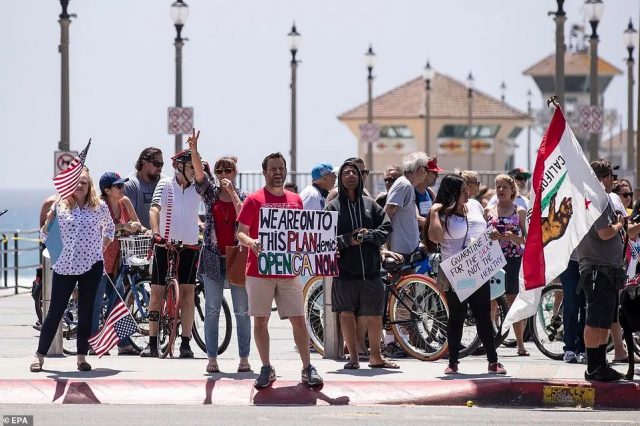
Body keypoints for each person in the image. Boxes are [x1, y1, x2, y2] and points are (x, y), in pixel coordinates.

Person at [236, 152, 323, 388]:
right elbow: (240, 232)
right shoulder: (253, 200)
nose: (277, 172)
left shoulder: (296, 200)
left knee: (298, 320)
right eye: (272, 169)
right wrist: (252, 242)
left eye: (281, 168)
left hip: (288, 272)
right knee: (260, 321)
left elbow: (303, 235)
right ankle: (266, 367)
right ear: (264, 172)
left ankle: (307, 368)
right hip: (258, 272)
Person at [31, 167, 115, 372]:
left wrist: (101, 246)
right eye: (76, 182)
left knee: (86, 311)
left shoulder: (100, 207)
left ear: (90, 186)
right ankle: (39, 356)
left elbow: (110, 228)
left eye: (84, 182)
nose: (79, 185)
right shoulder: (60, 207)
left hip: (91, 266)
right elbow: (45, 238)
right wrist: (48, 225)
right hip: (65, 266)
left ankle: (81, 357)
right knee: (55, 312)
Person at [428, 173, 506, 375]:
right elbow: (435, 237)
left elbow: (483, 229)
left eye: (467, 189)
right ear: (452, 193)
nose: (467, 193)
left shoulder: (474, 206)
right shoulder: (443, 214)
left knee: (483, 316)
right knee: (456, 317)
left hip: (478, 269)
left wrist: (493, 234)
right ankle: (453, 362)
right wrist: (434, 214)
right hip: (456, 273)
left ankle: (493, 361)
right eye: (462, 191)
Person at [326, 159, 397, 370]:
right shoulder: (332, 207)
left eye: (354, 173)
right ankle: (353, 358)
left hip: (372, 270)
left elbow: (386, 228)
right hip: (345, 272)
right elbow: (325, 239)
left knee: (374, 315)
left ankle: (376, 357)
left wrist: (369, 236)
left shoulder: (371, 205)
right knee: (346, 313)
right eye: (346, 173)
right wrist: (348, 239)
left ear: (360, 177)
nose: (350, 176)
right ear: (340, 178)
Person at [189, 138, 252, 374]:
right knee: (213, 309)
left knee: (241, 311)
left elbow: (243, 216)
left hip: (236, 256)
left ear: (235, 172)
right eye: (219, 170)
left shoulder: (244, 195)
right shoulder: (210, 194)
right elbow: (198, 174)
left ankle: (244, 358)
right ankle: (212, 358)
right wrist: (194, 150)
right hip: (214, 256)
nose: (223, 173)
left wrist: (233, 193)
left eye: (228, 169)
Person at [142, 137, 201, 358]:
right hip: (164, 244)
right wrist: (156, 233)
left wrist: (194, 151)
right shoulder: (165, 184)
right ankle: (152, 342)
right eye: (190, 167)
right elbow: (154, 209)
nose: (194, 171)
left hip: (189, 245)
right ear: (179, 168)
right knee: (156, 294)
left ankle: (185, 343)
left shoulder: (198, 186)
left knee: (188, 294)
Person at [578, 159, 634, 381]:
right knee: (595, 320)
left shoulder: (601, 200)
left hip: (607, 268)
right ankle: (593, 366)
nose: (614, 180)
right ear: (602, 178)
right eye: (611, 176)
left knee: (604, 320)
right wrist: (620, 224)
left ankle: (600, 364)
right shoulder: (595, 200)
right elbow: (604, 232)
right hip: (597, 268)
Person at [92, 172, 144, 356]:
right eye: (118, 186)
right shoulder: (99, 206)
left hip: (117, 260)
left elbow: (137, 222)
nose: (123, 189)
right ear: (107, 190)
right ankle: (94, 342)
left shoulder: (125, 202)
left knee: (119, 302)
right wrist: (123, 227)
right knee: (96, 303)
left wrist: (145, 230)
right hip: (99, 260)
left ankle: (122, 343)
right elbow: (96, 229)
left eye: (123, 185)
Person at [485, 174, 528, 356]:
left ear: (512, 190)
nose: (501, 190)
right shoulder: (489, 210)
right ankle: (489, 342)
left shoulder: (519, 211)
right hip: (493, 259)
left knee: (513, 300)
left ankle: (520, 343)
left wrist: (514, 237)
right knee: (491, 301)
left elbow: (526, 238)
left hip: (512, 259)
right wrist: (491, 235)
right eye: (498, 186)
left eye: (504, 187)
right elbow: (481, 238)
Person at [124, 147, 164, 230]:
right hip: (139, 239)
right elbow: (128, 218)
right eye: (156, 164)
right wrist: (144, 231)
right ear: (143, 162)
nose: (160, 168)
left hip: (159, 238)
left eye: (161, 165)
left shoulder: (162, 182)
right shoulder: (131, 185)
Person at [414, 157, 442, 228]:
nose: (437, 176)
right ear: (425, 172)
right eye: (435, 172)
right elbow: (417, 219)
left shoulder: (430, 192)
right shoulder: (411, 192)